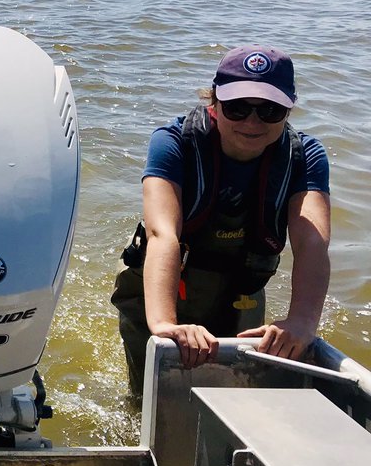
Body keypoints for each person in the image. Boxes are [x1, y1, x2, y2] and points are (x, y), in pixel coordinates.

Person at [111, 46, 331, 395]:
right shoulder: (173, 143)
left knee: (235, 390)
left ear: (289, 109)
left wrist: (302, 322)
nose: (252, 123)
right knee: (152, 396)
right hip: (165, 282)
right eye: (238, 108)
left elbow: (312, 242)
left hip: (239, 289)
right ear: (214, 101)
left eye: (270, 111)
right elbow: (161, 233)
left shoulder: (306, 157)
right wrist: (166, 324)